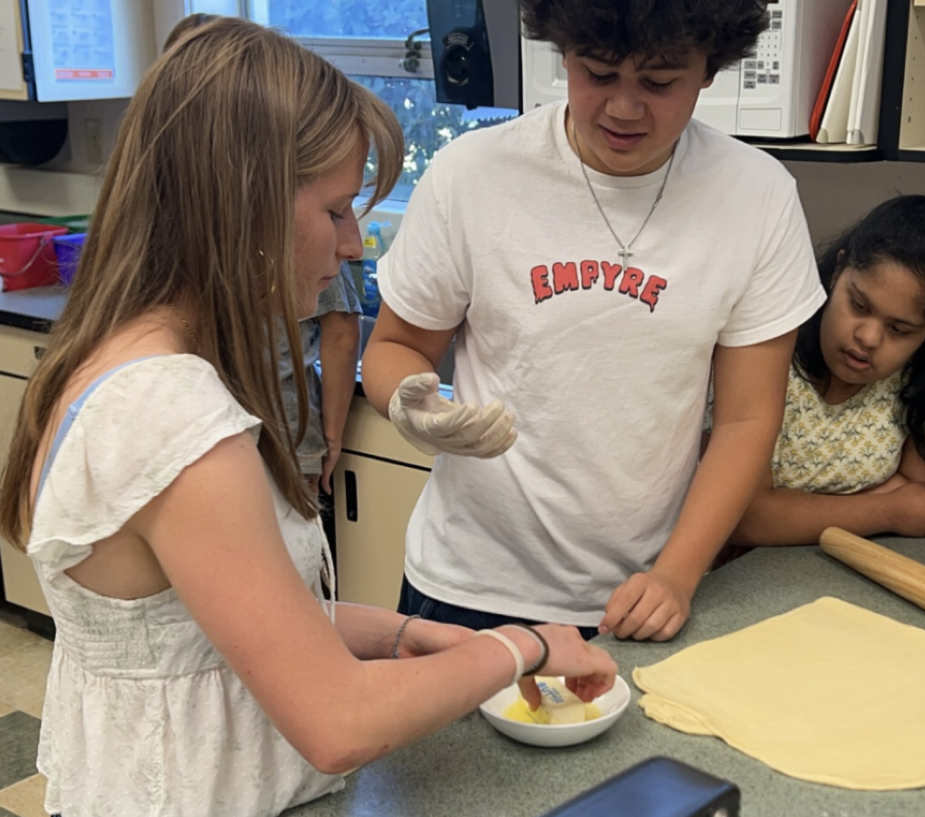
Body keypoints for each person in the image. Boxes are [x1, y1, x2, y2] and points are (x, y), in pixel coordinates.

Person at [0, 16, 616, 817]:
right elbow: (338, 721)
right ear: (241, 205)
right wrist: (525, 642)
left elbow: (210, 624)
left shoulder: (106, 358)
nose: (353, 243)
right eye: (333, 212)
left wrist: (403, 635)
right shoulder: (169, 415)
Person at [361, 0, 825, 643]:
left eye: (661, 82)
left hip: (642, 593)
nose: (625, 108)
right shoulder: (474, 175)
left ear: (710, 69)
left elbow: (748, 418)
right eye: (598, 73)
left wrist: (678, 575)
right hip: (466, 586)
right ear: (563, 51)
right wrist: (411, 406)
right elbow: (396, 346)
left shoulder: (758, 195)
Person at [725, 189, 925, 550]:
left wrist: (790, 512)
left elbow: (922, 496)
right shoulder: (765, 352)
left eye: (899, 329)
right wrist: (885, 510)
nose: (867, 338)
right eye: (858, 304)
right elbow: (746, 518)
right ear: (838, 269)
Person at [278, 260, 361, 495]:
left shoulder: (193, 229)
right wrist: (331, 436)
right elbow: (342, 333)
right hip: (288, 432)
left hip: (203, 429)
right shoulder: (305, 229)